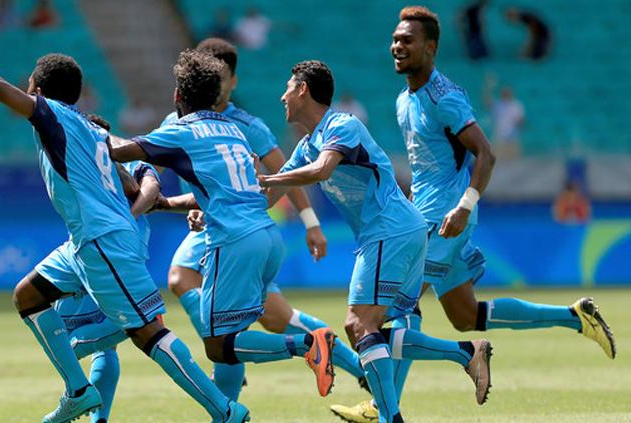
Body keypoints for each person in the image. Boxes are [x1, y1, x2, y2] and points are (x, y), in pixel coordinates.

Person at [0, 13, 250, 423]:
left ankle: (224, 410)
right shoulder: (91, 130)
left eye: (30, 87)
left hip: (103, 240)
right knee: (29, 295)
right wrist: (173, 203)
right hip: (86, 241)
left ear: (37, 89)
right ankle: (78, 391)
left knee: (149, 334)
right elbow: (133, 183)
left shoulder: (52, 116)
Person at [330, 7, 615, 422]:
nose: (397, 46)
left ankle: (380, 405)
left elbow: (486, 153)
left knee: (397, 309)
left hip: (445, 218)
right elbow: (428, 166)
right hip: (423, 216)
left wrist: (465, 206)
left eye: (407, 40)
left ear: (431, 47)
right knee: (467, 316)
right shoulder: (403, 100)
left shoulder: (444, 97)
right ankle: (575, 317)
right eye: (395, 39)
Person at [259, 60, 495, 423]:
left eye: (288, 87)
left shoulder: (342, 125)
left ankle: (390, 417)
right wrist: (216, 209)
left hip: (390, 230)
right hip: (401, 231)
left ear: (303, 89)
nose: (282, 96)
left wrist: (271, 180)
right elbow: (275, 192)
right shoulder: (309, 144)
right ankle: (467, 353)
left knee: (358, 324)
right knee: (381, 330)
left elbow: (320, 171)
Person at [107, 49, 337, 406]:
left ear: (177, 96)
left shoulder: (180, 131)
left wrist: (80, 130)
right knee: (231, 335)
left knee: (219, 345)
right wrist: (167, 204)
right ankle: (229, 409)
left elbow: (121, 151)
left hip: (233, 242)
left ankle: (308, 343)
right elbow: (228, 191)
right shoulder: (232, 129)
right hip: (265, 236)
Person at [161, 38, 366, 401]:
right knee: (274, 317)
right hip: (221, 227)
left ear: (233, 81)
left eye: (219, 76)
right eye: (206, 74)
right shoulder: (178, 118)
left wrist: (310, 220)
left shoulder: (247, 125)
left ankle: (228, 358)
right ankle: (353, 367)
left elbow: (286, 171)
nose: (212, 82)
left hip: (235, 229)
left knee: (182, 277)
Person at [49, 114, 161, 423]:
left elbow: (151, 189)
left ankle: (77, 379)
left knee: (69, 338)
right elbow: (152, 190)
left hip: (96, 253)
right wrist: (133, 216)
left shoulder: (86, 167)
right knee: (110, 346)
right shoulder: (134, 165)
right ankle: (99, 417)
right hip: (122, 253)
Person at [484, 79, 524, 160]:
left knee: (514, 161)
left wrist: (520, 123)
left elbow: (521, 121)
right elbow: (487, 101)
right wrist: (488, 86)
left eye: (508, 92)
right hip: (499, 138)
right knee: (497, 161)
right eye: (504, 92)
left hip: (512, 138)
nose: (506, 94)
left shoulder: (516, 105)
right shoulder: (498, 105)